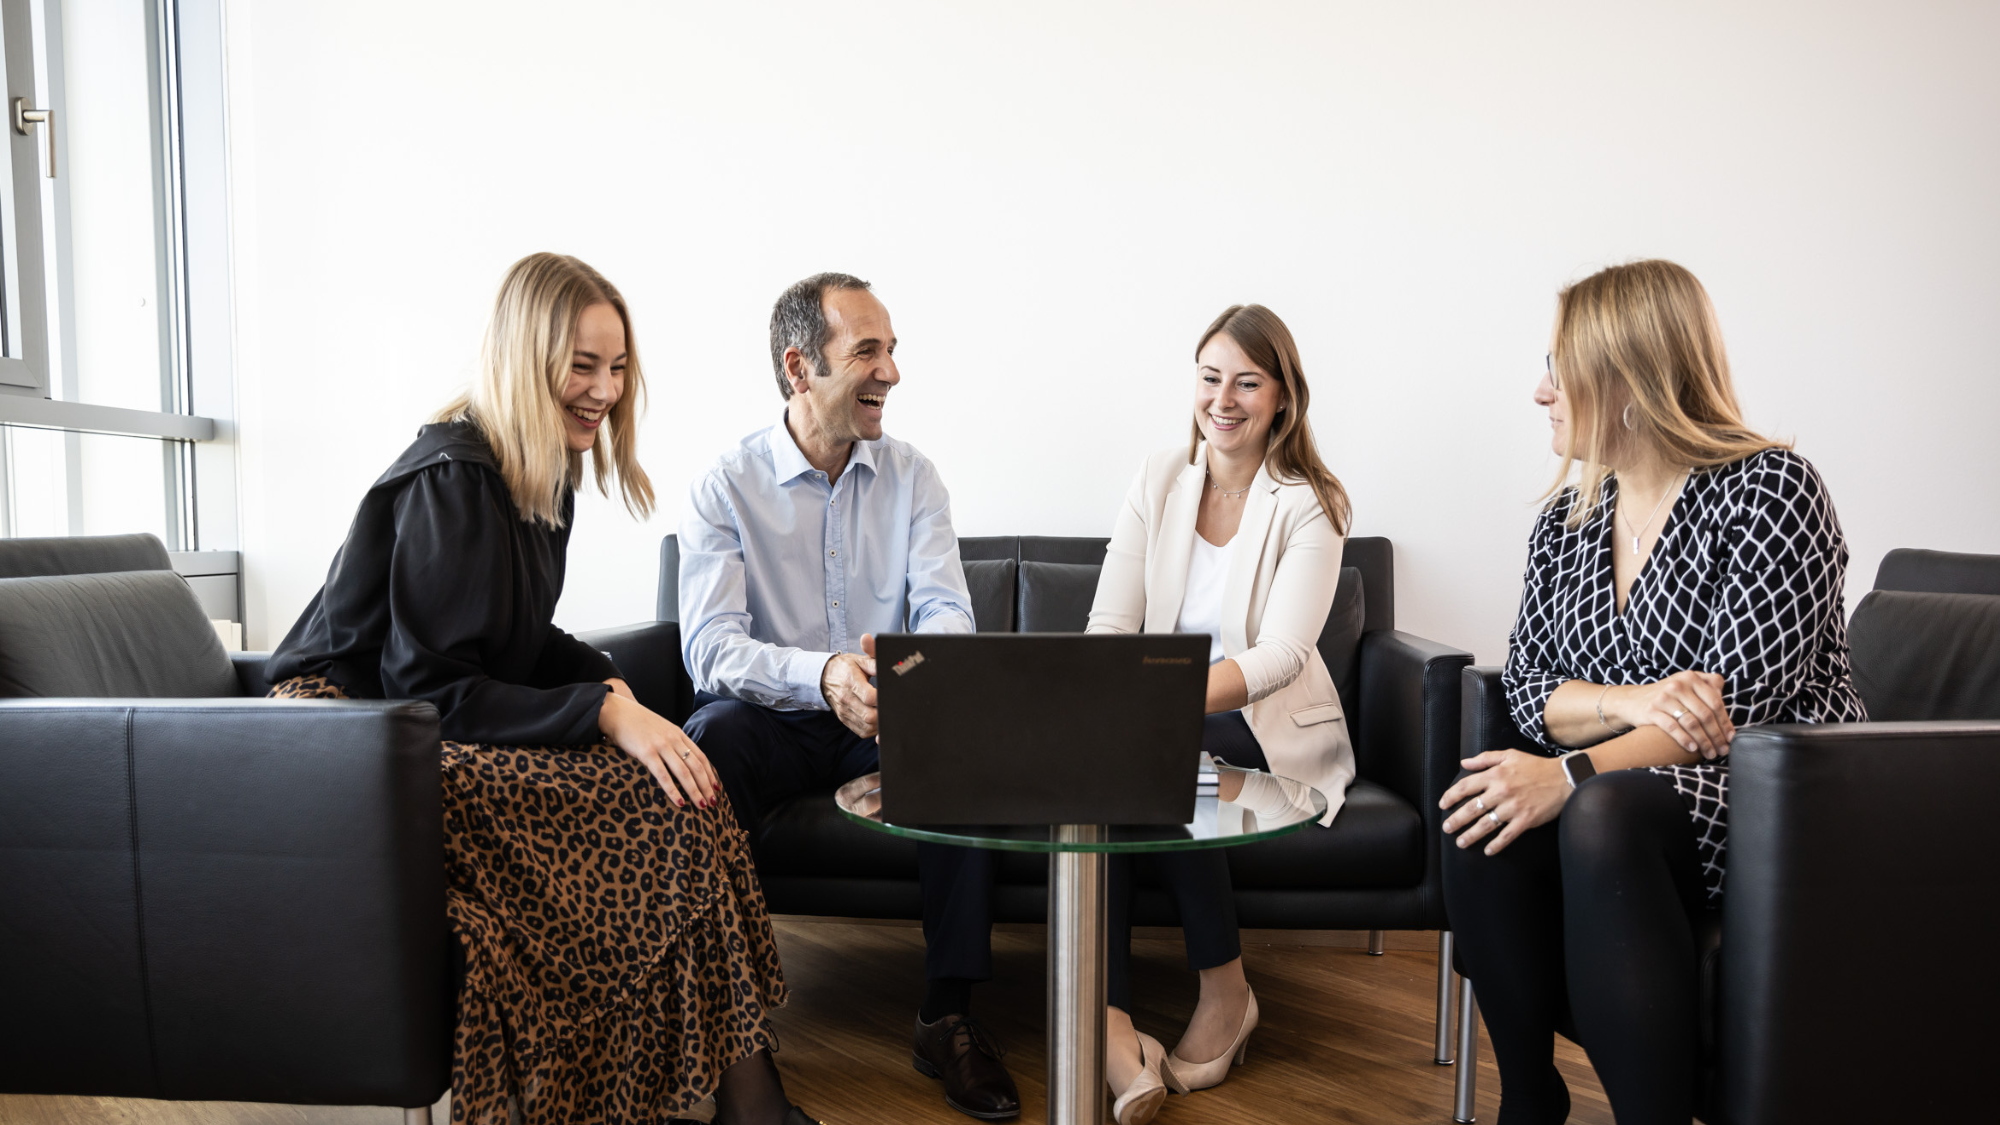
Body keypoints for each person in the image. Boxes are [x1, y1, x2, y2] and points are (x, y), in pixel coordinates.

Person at [265, 254, 819, 1125]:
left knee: (689, 789)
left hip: (414, 720)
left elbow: (514, 638)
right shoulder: (453, 477)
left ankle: (743, 1098)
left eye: (619, 366)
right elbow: (431, 686)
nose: (605, 389)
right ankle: (723, 1103)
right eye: (584, 365)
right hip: (343, 738)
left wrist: (616, 691)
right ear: (527, 359)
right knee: (649, 807)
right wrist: (604, 709)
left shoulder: (541, 470)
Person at [1438, 260, 1865, 1125]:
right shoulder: (1569, 519)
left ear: (1628, 376)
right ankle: (1528, 1097)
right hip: (1642, 781)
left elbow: (1733, 708)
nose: (1540, 392)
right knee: (1479, 808)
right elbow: (1529, 688)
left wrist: (1565, 775)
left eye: (1560, 368)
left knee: (1601, 810)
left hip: (1778, 796)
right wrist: (1628, 703)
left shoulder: (1769, 489)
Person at [678, 273, 1017, 1121]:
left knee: (961, 743)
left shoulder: (914, 478)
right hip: (774, 716)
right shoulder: (725, 487)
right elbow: (710, 647)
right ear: (799, 366)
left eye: (892, 349)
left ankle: (948, 1017)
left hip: (884, 714)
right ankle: (731, 1027)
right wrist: (820, 674)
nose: (891, 372)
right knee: (707, 737)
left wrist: (902, 674)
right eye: (867, 351)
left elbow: (947, 612)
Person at [1084, 304, 1356, 1124]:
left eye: (1247, 380)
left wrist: (1158, 703)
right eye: (1210, 378)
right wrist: (1132, 703)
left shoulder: (1311, 502)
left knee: (1163, 748)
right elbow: (1109, 624)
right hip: (1158, 725)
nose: (1224, 398)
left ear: (1281, 396)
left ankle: (1225, 990)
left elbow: (1281, 656)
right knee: (1120, 762)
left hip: (1262, 725)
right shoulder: (1160, 477)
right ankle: (1113, 1023)